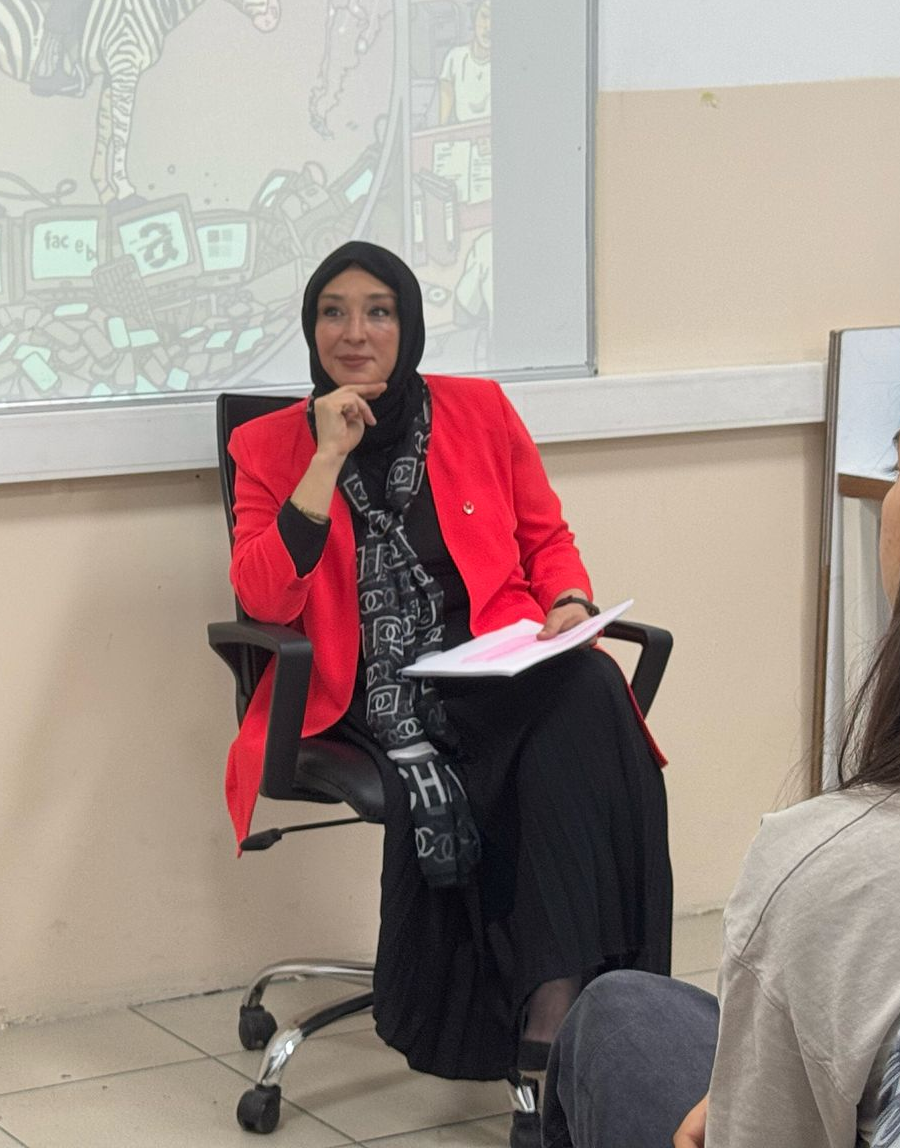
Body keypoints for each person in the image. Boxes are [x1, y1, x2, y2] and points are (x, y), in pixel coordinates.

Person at [543, 312, 900, 1148]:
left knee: (616, 1016)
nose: (359, 332)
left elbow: (547, 543)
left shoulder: (834, 873)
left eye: (898, 467)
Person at [224, 243, 671, 1147]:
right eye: (333, 312)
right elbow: (265, 597)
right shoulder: (266, 446)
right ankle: (544, 1029)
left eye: (379, 311)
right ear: (311, 328)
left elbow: (546, 538)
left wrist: (569, 600)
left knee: (586, 685)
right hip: (368, 690)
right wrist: (324, 459)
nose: (355, 332)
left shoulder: (479, 409)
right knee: (550, 742)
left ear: (410, 325)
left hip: (491, 663)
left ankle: (557, 1018)